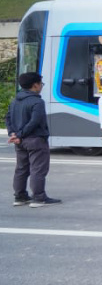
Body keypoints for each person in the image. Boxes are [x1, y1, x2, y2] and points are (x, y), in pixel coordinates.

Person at [7, 72, 59, 208]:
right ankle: (39, 197)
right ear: (35, 85)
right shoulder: (37, 101)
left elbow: (8, 118)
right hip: (35, 139)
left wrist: (14, 134)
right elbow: (35, 122)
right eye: (41, 83)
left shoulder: (15, 100)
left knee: (21, 168)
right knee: (38, 169)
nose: (41, 86)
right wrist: (20, 134)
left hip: (20, 141)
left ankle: (20, 196)